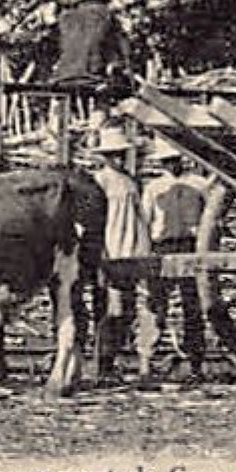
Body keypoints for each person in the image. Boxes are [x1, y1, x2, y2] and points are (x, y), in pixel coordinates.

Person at [139, 139, 210, 383]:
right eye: (167, 160)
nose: (172, 164)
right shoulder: (153, 188)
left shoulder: (199, 185)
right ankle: (146, 361)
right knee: (156, 305)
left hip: (191, 247)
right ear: (160, 162)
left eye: (175, 159)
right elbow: (146, 222)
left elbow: (211, 219)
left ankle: (196, 362)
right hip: (162, 248)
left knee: (194, 305)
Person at [88, 124, 154, 384]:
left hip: (132, 249)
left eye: (120, 153)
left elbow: (141, 217)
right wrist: (100, 250)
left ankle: (113, 359)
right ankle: (103, 363)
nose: (117, 158)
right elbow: (93, 220)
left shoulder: (131, 181)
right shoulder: (98, 181)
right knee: (109, 309)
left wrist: (145, 247)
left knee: (127, 308)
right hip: (110, 249)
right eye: (113, 154)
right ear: (104, 156)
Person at [52, 0, 133, 100]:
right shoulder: (106, 16)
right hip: (93, 81)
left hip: (62, 80)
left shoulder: (65, 18)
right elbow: (125, 53)